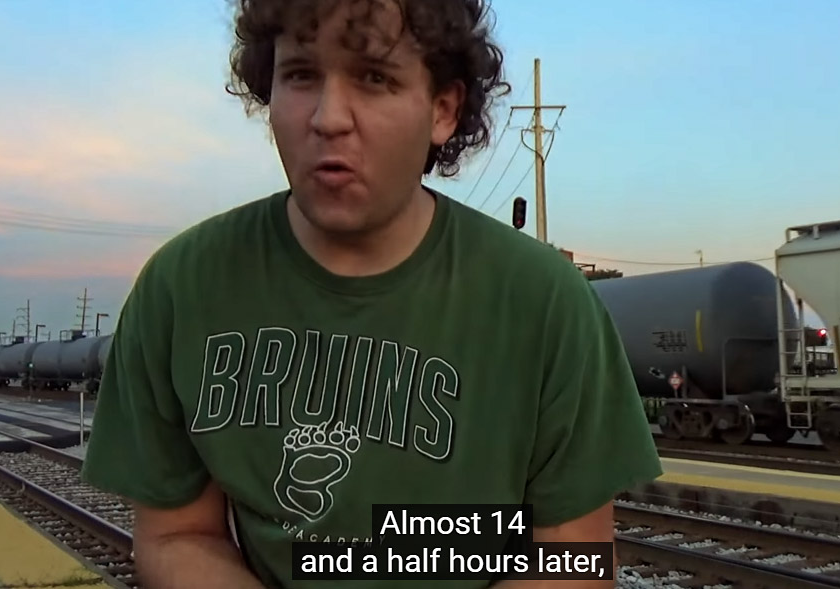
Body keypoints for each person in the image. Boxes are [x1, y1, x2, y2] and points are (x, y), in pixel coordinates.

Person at [79, 0, 662, 587]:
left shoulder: (546, 303)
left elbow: (572, 556)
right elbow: (178, 535)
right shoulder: (183, 289)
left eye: (374, 78)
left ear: (442, 109)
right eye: (300, 74)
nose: (329, 118)